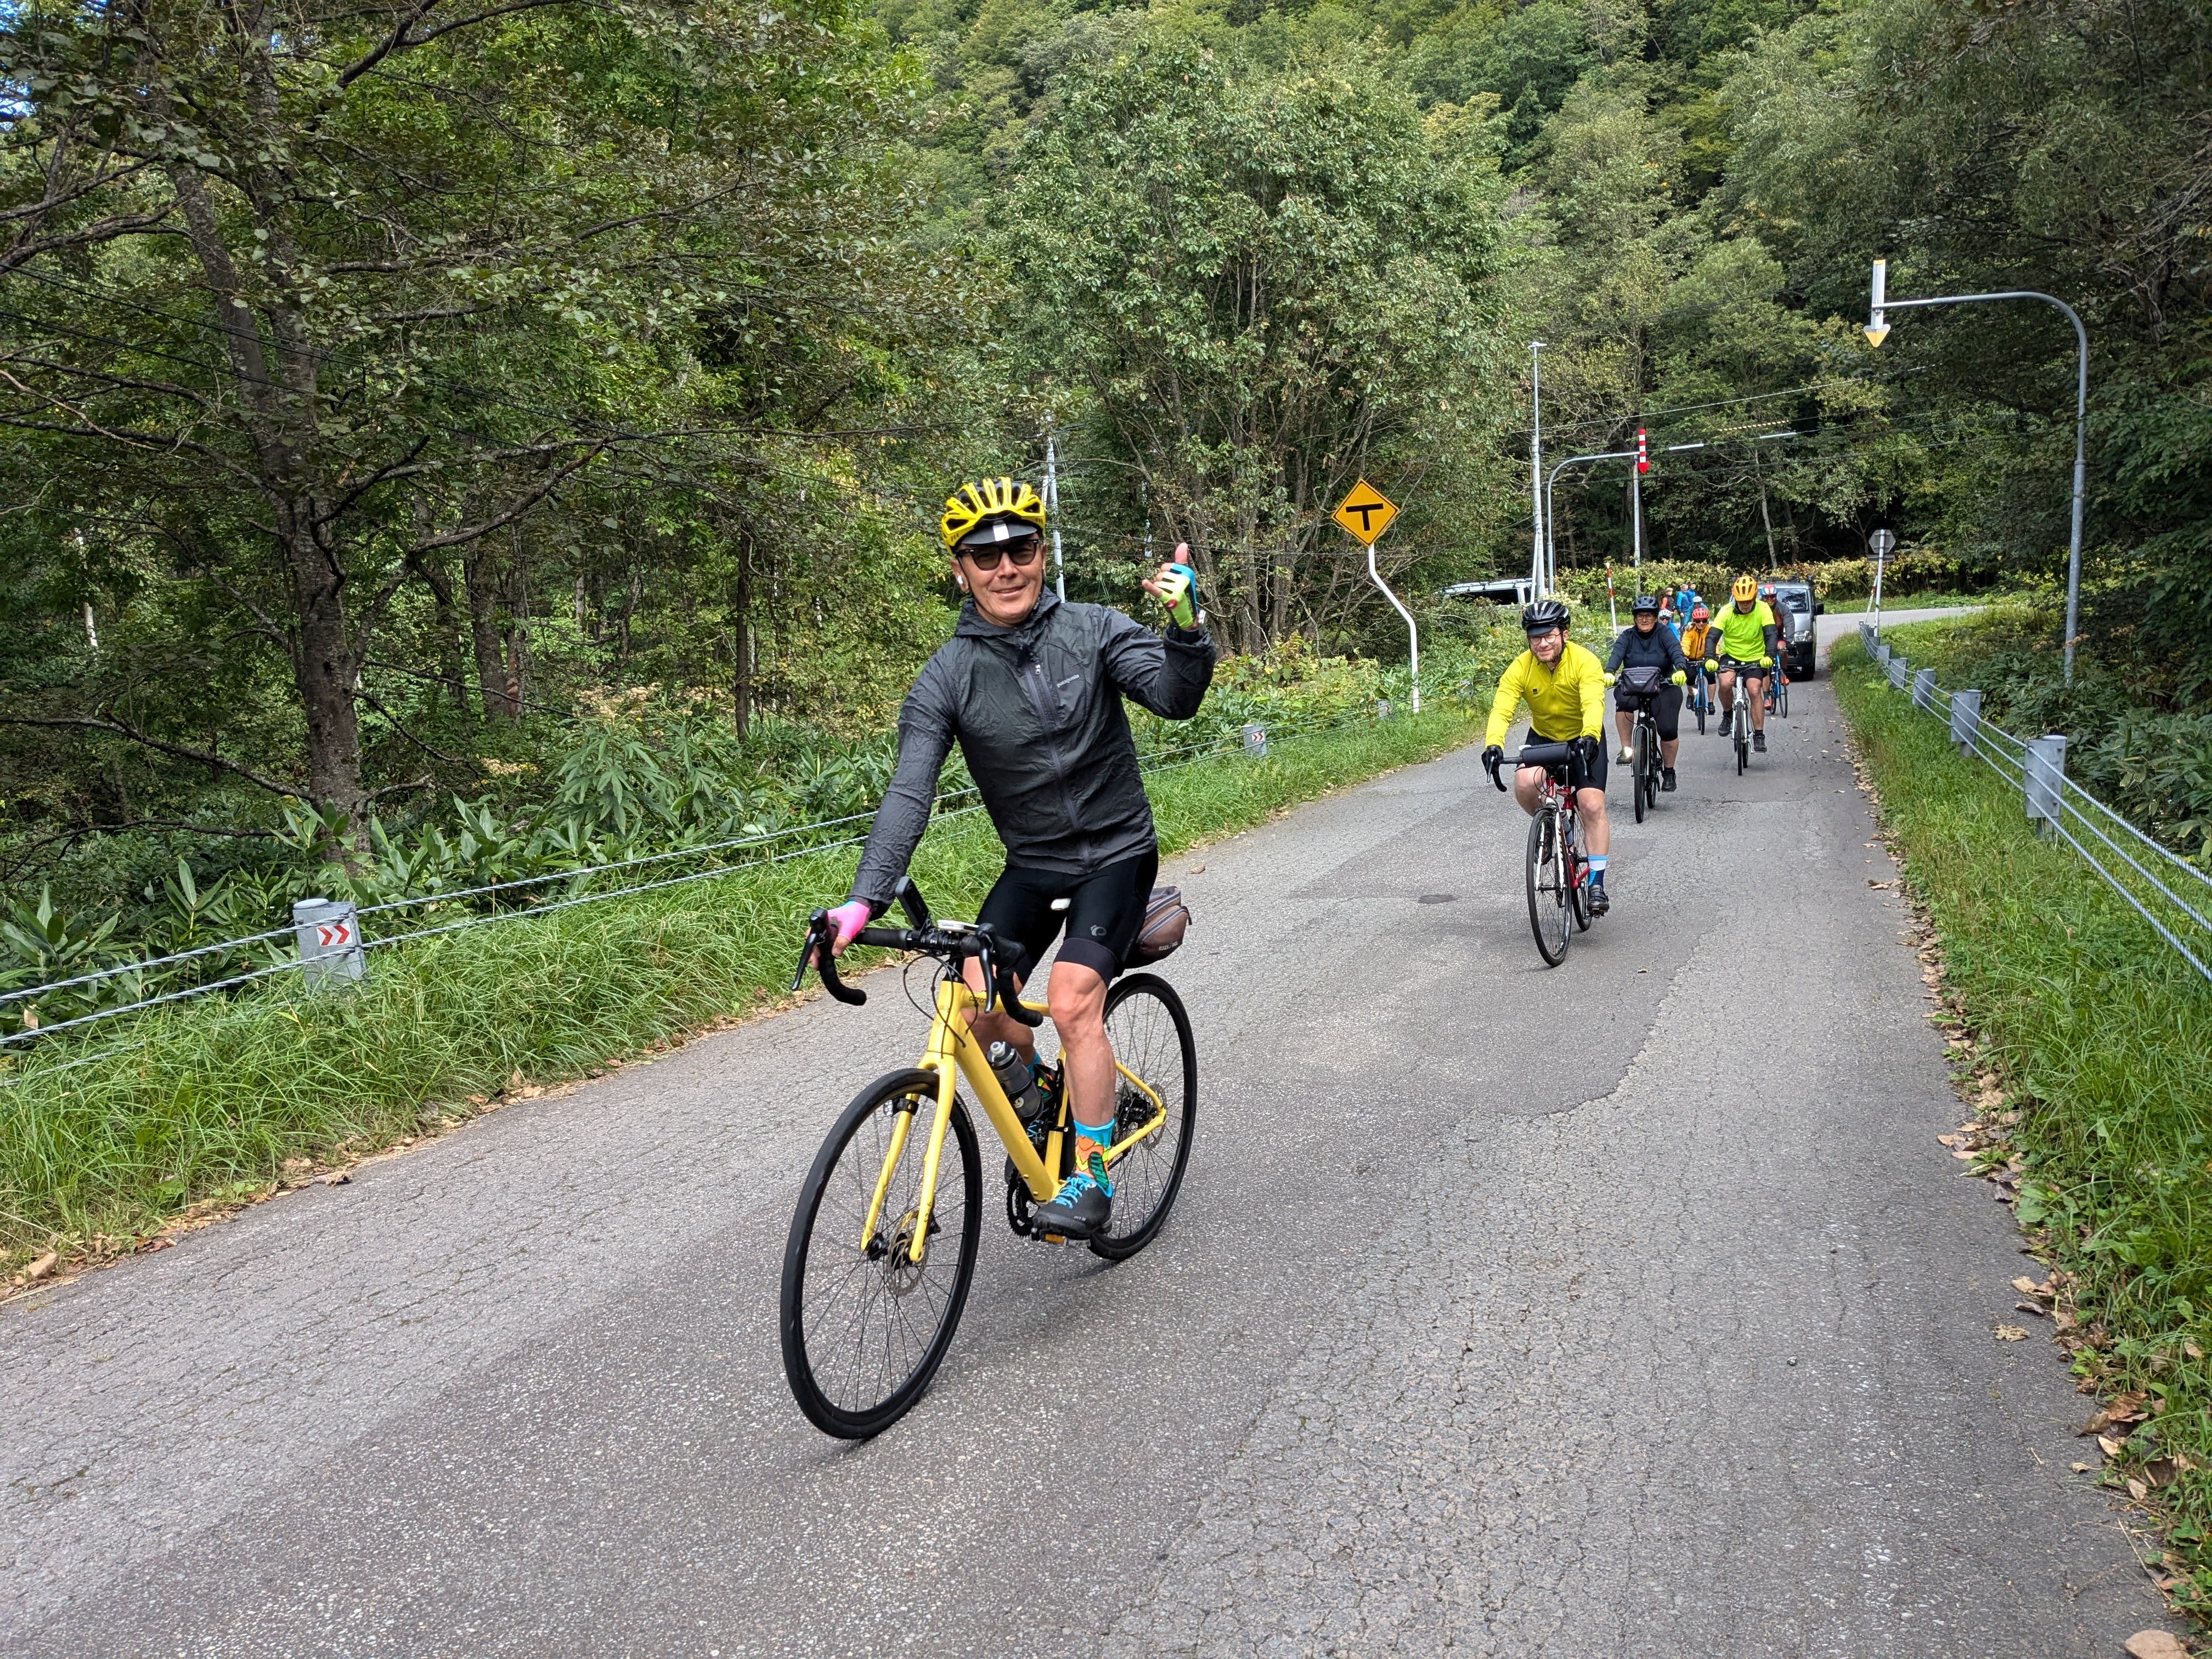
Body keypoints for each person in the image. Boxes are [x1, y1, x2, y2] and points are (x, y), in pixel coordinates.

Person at [816, 477, 1217, 1240]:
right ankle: (1038, 1098)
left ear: (1041, 554)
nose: (1006, 567)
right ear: (960, 570)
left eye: (1021, 549)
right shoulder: (947, 677)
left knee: (1070, 1002)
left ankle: (1091, 1174)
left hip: (1116, 855)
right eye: (985, 555)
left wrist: (1185, 626)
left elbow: (1175, 696)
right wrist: (862, 901)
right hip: (1033, 865)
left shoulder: (1093, 630)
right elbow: (909, 794)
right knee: (974, 1003)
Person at [1482, 599, 1613, 915]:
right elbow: (1502, 706)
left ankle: (1596, 883)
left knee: (1591, 805)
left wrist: (1591, 737)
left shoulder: (1585, 661)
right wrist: (1493, 744)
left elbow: (1593, 703)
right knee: (1525, 784)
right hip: (1543, 737)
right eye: (1535, 637)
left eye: (1549, 635)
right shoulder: (1521, 667)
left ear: (1564, 634)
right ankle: (1555, 827)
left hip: (1583, 737)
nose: (1542, 643)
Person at [1605, 594, 1690, 792]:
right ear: (1634, 618)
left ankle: (1669, 772)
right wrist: (1609, 671)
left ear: (1655, 616)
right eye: (1640, 616)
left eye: (1649, 615)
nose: (1645, 619)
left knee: (1668, 729)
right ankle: (1627, 750)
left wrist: (1680, 669)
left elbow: (1676, 651)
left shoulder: (1665, 633)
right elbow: (1616, 654)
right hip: (1634, 684)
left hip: (1664, 685)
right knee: (1624, 703)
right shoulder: (1627, 636)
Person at [1702, 574, 1779, 752]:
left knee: (1754, 690)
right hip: (1731, 655)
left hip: (1756, 656)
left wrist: (1769, 655)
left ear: (1754, 598)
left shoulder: (1763, 609)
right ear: (1735, 598)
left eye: (1749, 601)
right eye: (1741, 601)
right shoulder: (1727, 611)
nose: (1745, 605)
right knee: (1726, 684)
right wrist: (1710, 658)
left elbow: (1771, 635)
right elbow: (1713, 637)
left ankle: (1759, 736)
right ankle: (1728, 714)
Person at [1678, 602, 1714, 722]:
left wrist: (1716, 655)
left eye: (1704, 620)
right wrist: (1685, 655)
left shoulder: (1710, 630)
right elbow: (1686, 643)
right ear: (1694, 621)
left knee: (1711, 677)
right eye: (1698, 621)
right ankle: (1691, 695)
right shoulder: (1690, 630)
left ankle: (1711, 703)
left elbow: (1715, 643)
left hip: (1707, 657)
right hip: (1692, 659)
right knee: (1691, 678)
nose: (1701, 623)